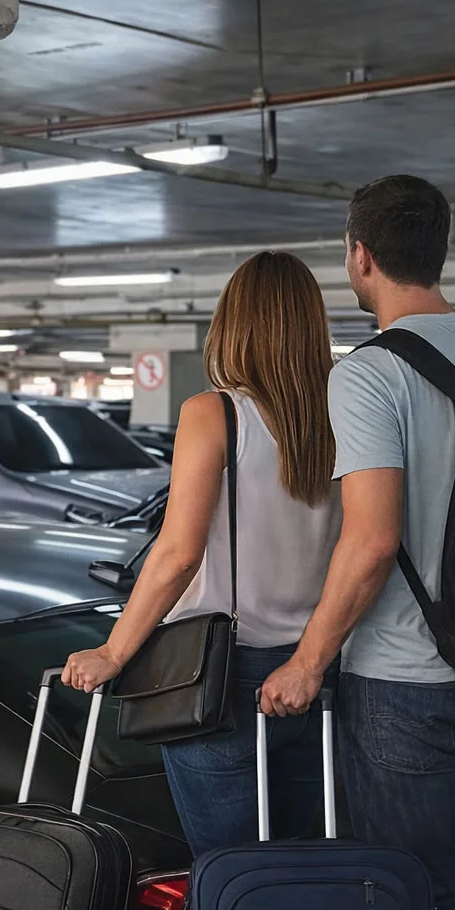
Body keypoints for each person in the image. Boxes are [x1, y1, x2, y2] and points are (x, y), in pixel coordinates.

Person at [259, 175, 455, 910]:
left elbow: (373, 539)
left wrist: (307, 662)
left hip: (407, 688)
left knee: (416, 898)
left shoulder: (368, 373)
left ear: (360, 256)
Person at [62, 251, 343, 855]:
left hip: (222, 676)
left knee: (231, 873)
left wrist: (114, 650)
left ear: (233, 324)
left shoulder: (214, 413)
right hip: (315, 671)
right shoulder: (342, 414)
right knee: (307, 868)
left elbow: (178, 551)